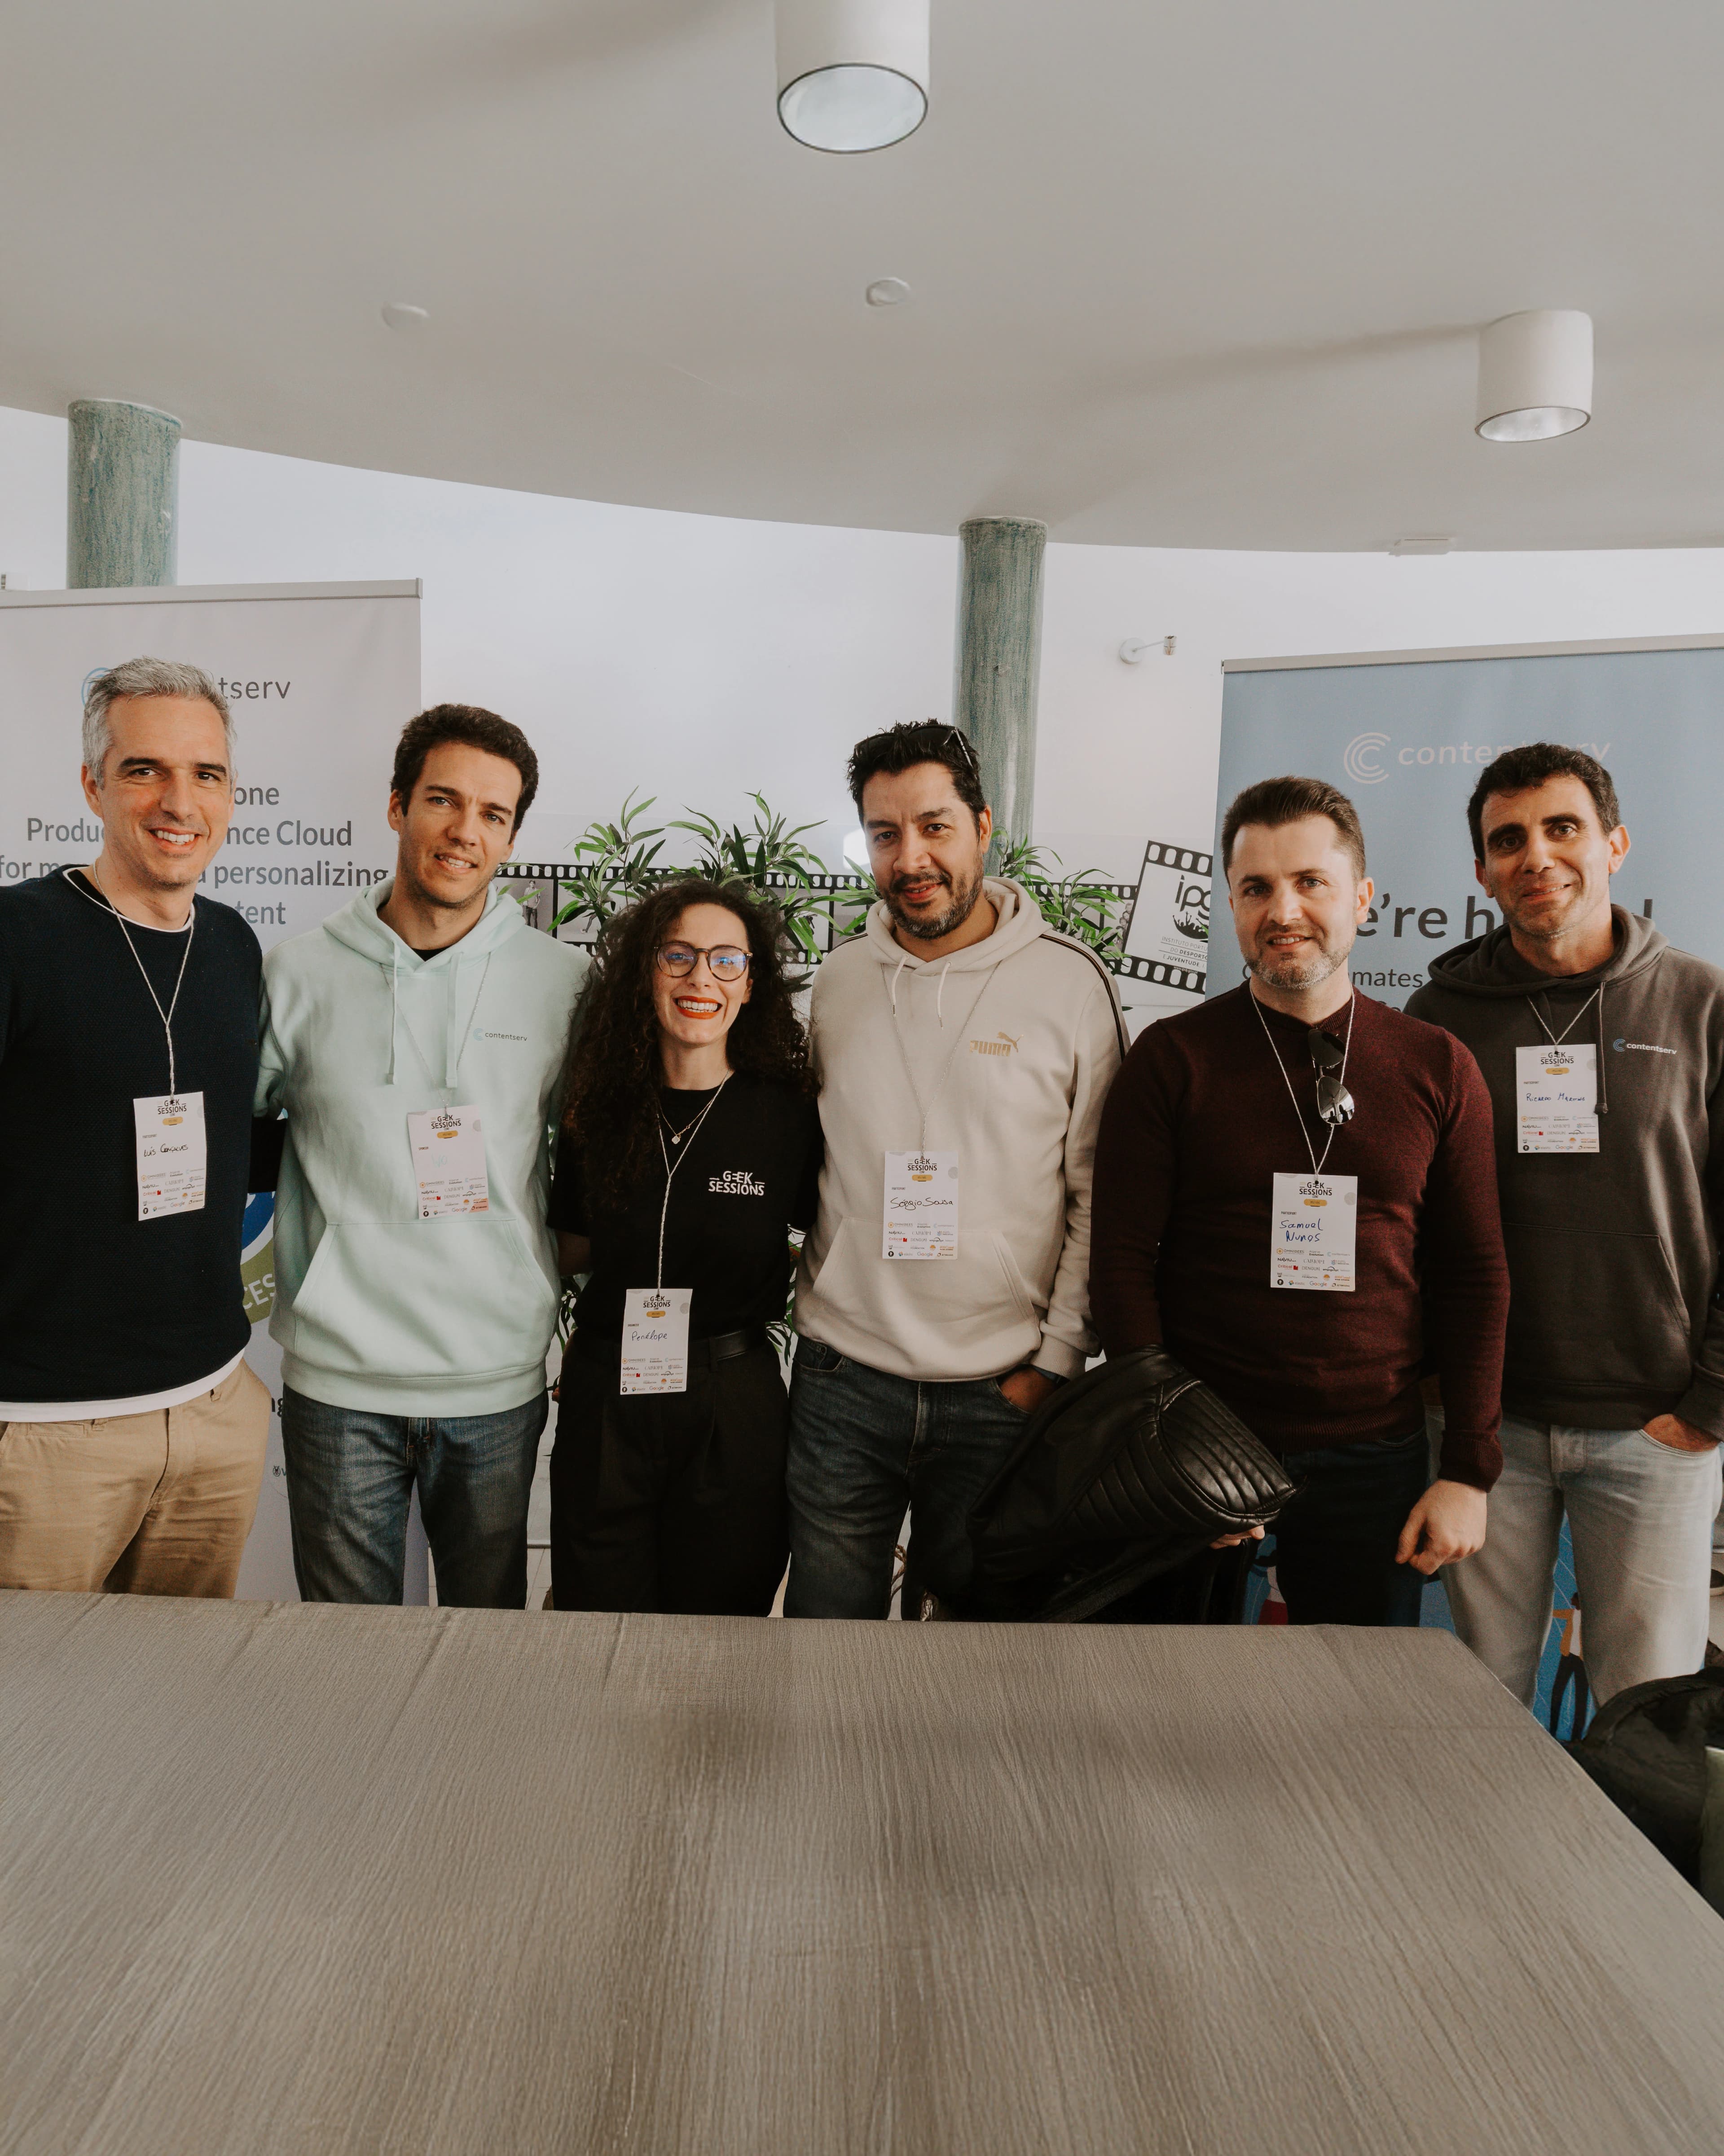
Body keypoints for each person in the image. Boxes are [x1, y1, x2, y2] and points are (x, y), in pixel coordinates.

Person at [1091, 774, 1509, 1626]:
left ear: (1362, 896)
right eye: (1256, 888)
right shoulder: (1171, 1060)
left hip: (1375, 1453)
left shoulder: (1437, 1065)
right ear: (1231, 904)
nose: (1283, 911)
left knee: (1354, 1695)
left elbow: (1475, 1273)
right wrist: (1167, 1446)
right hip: (1201, 1441)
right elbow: (1122, 1265)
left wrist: (1469, 1469)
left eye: (1310, 881)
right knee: (1165, 1689)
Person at [784, 720, 1126, 1620]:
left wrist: (1054, 1362)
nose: (911, 858)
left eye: (935, 827)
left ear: (982, 827)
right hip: (842, 1380)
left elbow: (1100, 1193)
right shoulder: (839, 981)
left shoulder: (1071, 985)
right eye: (885, 834)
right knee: (824, 1643)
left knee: (981, 1661)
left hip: (998, 1390)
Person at [1407, 744, 1724, 1706]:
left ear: (1615, 844)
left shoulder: (1703, 1003)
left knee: (1645, 1715)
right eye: (1509, 840)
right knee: (1477, 1705)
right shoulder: (1439, 1015)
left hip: (1655, 1430)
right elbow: (1411, 1220)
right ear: (1482, 871)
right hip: (1484, 1427)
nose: (1536, 856)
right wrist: (1437, 1386)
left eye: (1562, 828)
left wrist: (1709, 1407)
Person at [256, 703, 584, 1607]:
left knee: (486, 1648)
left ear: (510, 837)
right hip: (338, 1379)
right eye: (443, 800)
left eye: (492, 813)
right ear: (398, 805)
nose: (464, 830)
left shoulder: (563, 983)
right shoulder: (296, 972)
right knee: (344, 1654)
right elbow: (228, 1141)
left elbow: (594, 1169)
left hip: (495, 1378)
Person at [0, 657, 272, 1595]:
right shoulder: (17, 937)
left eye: (206, 774)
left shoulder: (233, 944)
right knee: (34, 1692)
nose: (179, 802)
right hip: (46, 1431)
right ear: (92, 784)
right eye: (144, 769)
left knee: (182, 1685)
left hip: (215, 1410)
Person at [548, 878, 822, 1614]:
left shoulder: (788, 1115)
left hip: (732, 1399)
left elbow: (827, 1238)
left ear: (750, 983)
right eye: (679, 956)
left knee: (720, 1636)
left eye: (726, 960)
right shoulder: (598, 1106)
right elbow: (572, 1248)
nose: (702, 978)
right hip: (608, 1392)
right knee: (596, 1625)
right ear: (647, 972)